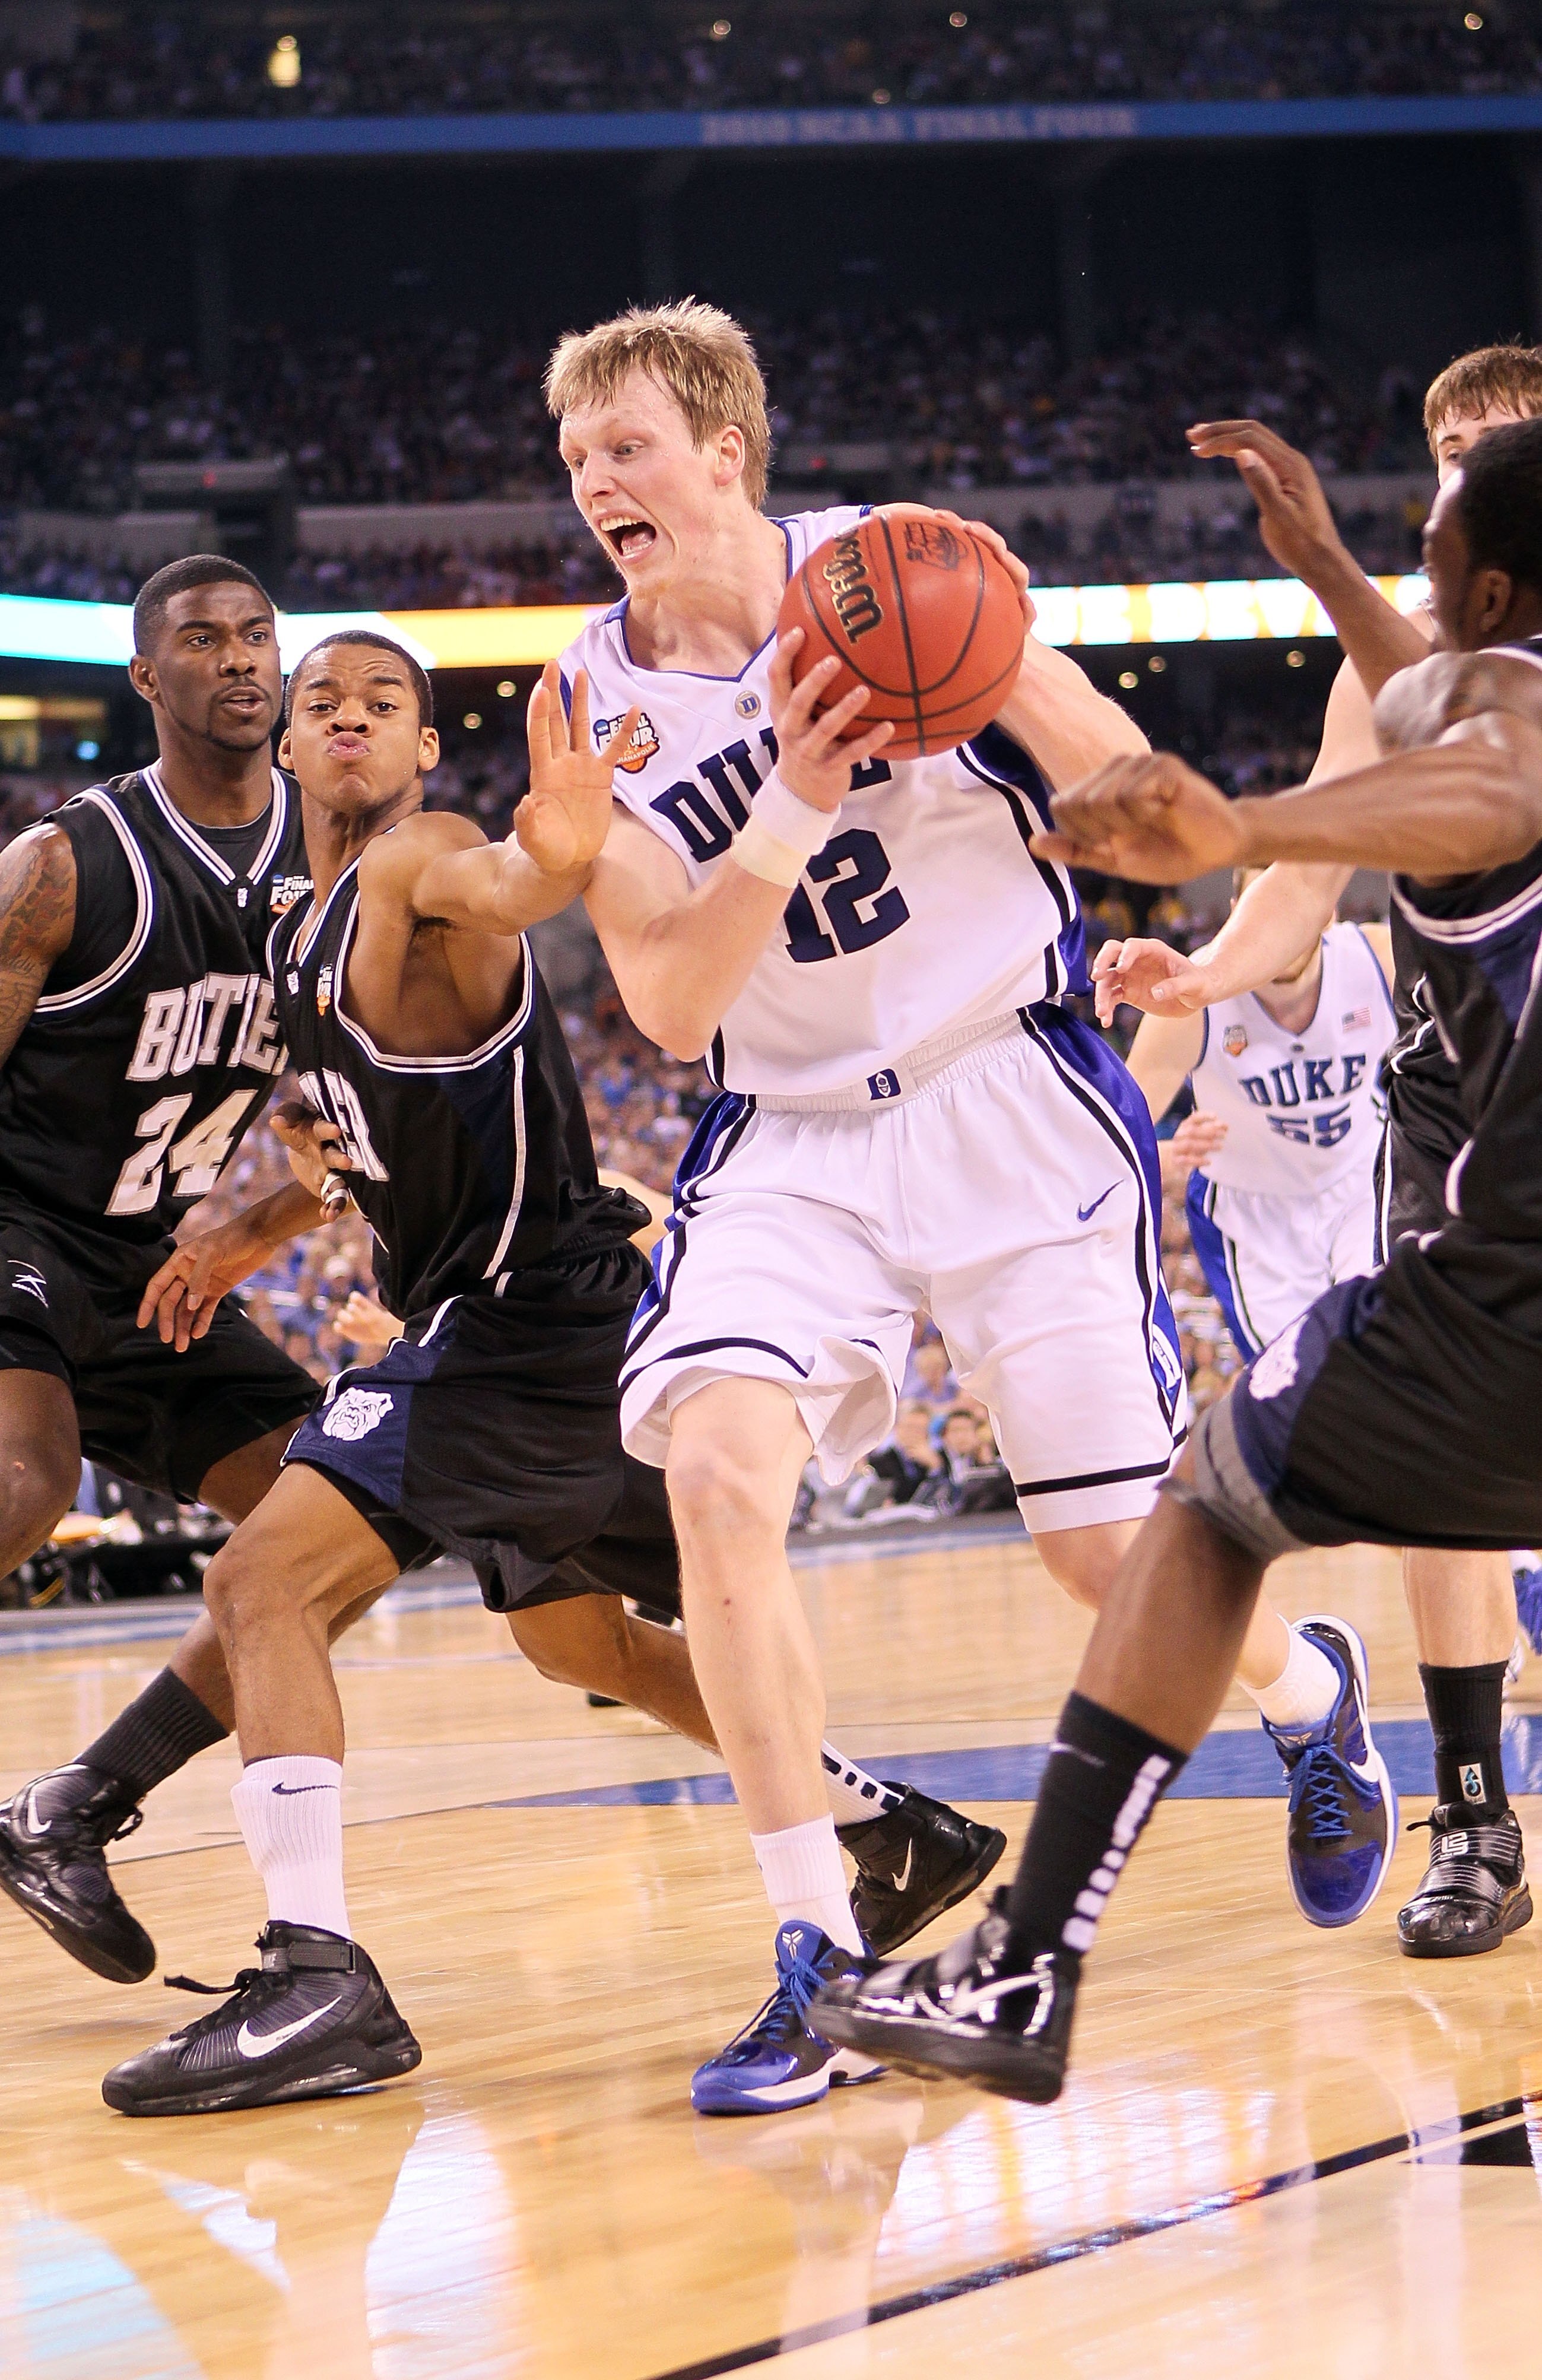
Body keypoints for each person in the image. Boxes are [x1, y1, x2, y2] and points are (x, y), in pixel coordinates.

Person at [542, 299, 1386, 2114]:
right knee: (710, 1472)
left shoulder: (906, 574)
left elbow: (1109, 780)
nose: (593, 478)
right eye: (575, 456)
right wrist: (790, 790)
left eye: (623, 443)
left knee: (1106, 1559)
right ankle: (821, 1954)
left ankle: (1306, 1689)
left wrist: (1087, 764)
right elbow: (671, 1010)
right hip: (786, 1137)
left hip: (1006, 1088)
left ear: (722, 453)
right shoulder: (580, 699)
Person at [99, 631, 1004, 2117]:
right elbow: (356, 1151)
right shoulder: (292, 938)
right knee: (584, 1644)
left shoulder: (422, 859)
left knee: (262, 1581)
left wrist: (552, 852)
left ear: (423, 755)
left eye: (381, 702)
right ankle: (887, 1829)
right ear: (281, 740)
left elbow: (499, 884)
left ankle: (312, 1967)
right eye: (320, 697)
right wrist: (248, 1231)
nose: (344, 717)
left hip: (526, 1320)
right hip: (558, 1326)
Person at [812, 417, 1542, 2099]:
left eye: (1422, 533)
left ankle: (1023, 1967)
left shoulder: (1496, 721)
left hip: (1503, 1302)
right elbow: (1440, 697)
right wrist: (1317, 571)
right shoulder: (1455, 674)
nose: (1403, 555)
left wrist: (1242, 827)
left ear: (1485, 581)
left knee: (1203, 1511)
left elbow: (1488, 767)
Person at [1096, 347, 1542, 1954]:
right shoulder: (1391, 669)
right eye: (1438, 438)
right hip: (1447, 1103)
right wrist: (1204, 973)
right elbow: (1303, 873)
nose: (1459, 458)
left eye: (1490, 438)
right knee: (1446, 1488)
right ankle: (1475, 1816)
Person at [0, 556, 323, 1982]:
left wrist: (251, 1230)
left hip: (154, 1259)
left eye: (258, 635)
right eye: (203, 640)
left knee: (336, 1529)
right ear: (149, 677)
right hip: (20, 1226)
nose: (240, 659)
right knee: (26, 1482)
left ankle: (71, 1806)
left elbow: (347, 1115)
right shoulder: (65, 862)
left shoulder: (337, 860)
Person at [1125, 886, 1396, 1362]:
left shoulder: (1378, 958)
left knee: (1381, 1349)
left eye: (1290, 906)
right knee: (1298, 1382)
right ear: (1237, 916)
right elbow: (1115, 1131)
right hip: (1250, 1211)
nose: (1277, 930)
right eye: (1261, 908)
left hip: (1360, 1183)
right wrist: (1165, 1154)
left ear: (1325, 909)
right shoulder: (1191, 998)